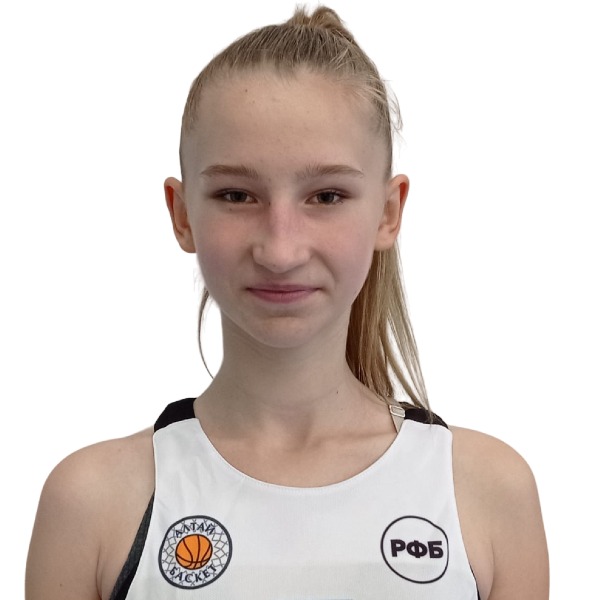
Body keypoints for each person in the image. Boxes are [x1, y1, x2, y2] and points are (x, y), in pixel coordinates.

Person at [25, 6, 549, 599]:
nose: (280, 249)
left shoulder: (485, 492)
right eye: (236, 195)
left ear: (388, 211)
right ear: (181, 214)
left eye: (326, 196)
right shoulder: (92, 504)